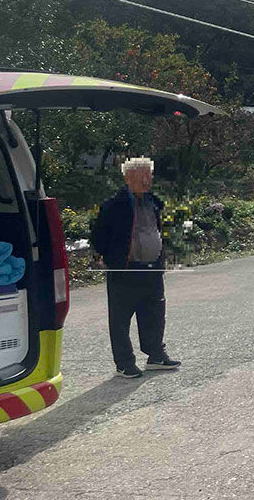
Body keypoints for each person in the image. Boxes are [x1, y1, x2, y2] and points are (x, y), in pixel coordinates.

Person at [91, 157, 181, 378]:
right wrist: (111, 259)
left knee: (155, 313)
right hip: (125, 270)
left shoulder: (155, 202)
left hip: (152, 269)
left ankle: (156, 355)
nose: (146, 180)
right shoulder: (114, 205)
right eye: (141, 175)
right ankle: (124, 362)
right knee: (120, 319)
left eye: (148, 175)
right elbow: (98, 236)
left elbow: (162, 230)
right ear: (127, 178)